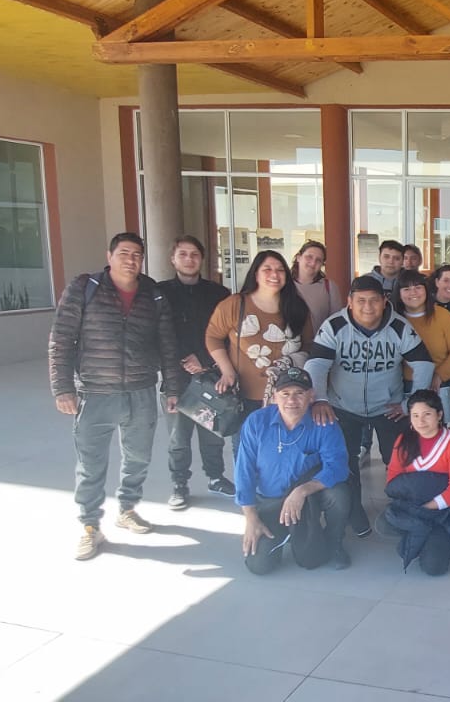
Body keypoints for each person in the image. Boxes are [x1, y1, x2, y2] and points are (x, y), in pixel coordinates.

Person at [49, 232, 186, 561]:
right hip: (96, 392)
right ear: (109, 256)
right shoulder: (85, 289)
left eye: (137, 254)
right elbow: (61, 339)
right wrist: (62, 387)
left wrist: (171, 386)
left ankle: (127, 508)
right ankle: (89, 525)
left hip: (140, 391)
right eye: (124, 253)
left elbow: (167, 343)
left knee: (138, 457)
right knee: (91, 463)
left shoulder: (152, 295)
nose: (131, 259)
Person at [305, 275, 435, 534]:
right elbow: (316, 364)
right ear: (350, 302)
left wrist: (411, 403)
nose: (368, 307)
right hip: (343, 406)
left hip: (388, 407)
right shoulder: (335, 326)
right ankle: (354, 511)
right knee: (345, 461)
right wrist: (319, 399)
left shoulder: (399, 327)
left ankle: (401, 509)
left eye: (374, 300)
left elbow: (423, 363)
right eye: (361, 300)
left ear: (385, 301)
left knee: (399, 459)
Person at [235, 366, 354, 574]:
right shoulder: (256, 422)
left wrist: (302, 491)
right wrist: (251, 518)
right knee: (259, 566)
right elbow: (243, 471)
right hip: (270, 501)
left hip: (307, 499)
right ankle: (286, 533)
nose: (292, 400)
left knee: (339, 494)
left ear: (311, 396)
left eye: (299, 393)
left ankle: (334, 542)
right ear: (274, 397)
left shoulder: (323, 422)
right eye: (285, 394)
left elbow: (338, 467)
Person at [158, 235, 233, 510]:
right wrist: (180, 361)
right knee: (178, 438)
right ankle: (179, 483)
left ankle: (216, 477)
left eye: (194, 254)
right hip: (175, 378)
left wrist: (203, 358)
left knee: (212, 432)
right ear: (173, 258)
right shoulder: (160, 292)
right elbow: (158, 336)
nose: (189, 259)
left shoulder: (219, 294)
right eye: (183, 254)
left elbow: (227, 335)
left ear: (202, 259)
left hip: (210, 374)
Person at [206, 251, 313, 421]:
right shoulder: (235, 304)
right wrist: (227, 371)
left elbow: (308, 345)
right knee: (245, 446)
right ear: (256, 274)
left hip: (286, 398)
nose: (274, 274)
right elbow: (213, 337)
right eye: (267, 269)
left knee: (283, 446)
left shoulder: (297, 308)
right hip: (244, 395)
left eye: (280, 270)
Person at [379, 389, 450, 576]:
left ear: (439, 415)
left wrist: (426, 508)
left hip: (442, 511)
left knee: (434, 567)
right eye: (415, 415)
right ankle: (420, 532)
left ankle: (431, 536)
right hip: (412, 507)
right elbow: (393, 479)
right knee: (383, 523)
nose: (420, 421)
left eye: (427, 414)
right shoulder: (403, 440)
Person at [393, 270, 450, 419]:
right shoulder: (394, 320)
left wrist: (440, 375)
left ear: (426, 289)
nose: (413, 292)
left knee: (437, 433)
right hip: (403, 387)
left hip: (437, 385)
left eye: (418, 287)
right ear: (399, 294)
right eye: (406, 289)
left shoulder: (442, 315)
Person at [291, 240, 343, 331]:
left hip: (319, 343)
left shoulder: (329, 287)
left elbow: (336, 322)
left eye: (318, 260)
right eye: (309, 257)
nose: (313, 263)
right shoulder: (284, 285)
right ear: (299, 257)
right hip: (289, 343)